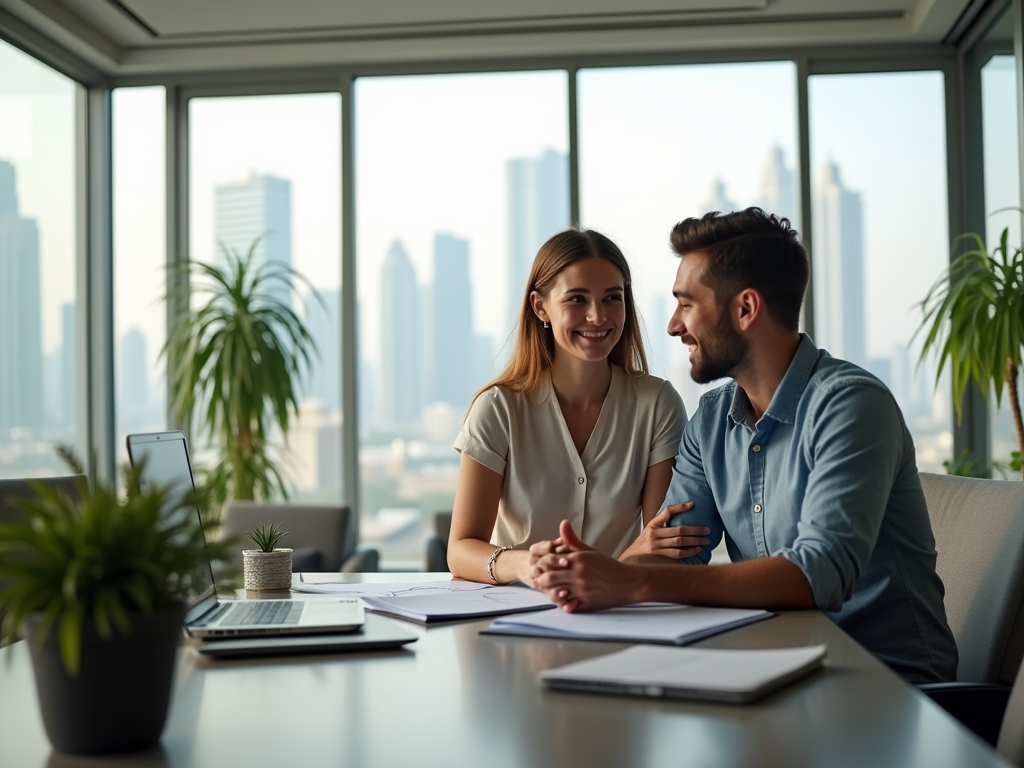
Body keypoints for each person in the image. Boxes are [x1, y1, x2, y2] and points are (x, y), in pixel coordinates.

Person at [530, 208, 958, 684]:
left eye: (687, 304)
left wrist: (628, 579)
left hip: (888, 687)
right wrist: (596, 575)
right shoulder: (711, 422)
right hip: (774, 670)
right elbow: (673, 553)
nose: (673, 326)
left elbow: (817, 576)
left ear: (746, 309)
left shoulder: (851, 406)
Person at [448, 228, 707, 586]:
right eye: (577, 299)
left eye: (612, 298)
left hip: (620, 613)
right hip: (513, 617)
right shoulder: (497, 409)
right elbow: (460, 549)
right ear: (541, 307)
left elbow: (660, 543)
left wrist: (608, 571)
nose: (598, 316)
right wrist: (526, 566)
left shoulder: (658, 404)